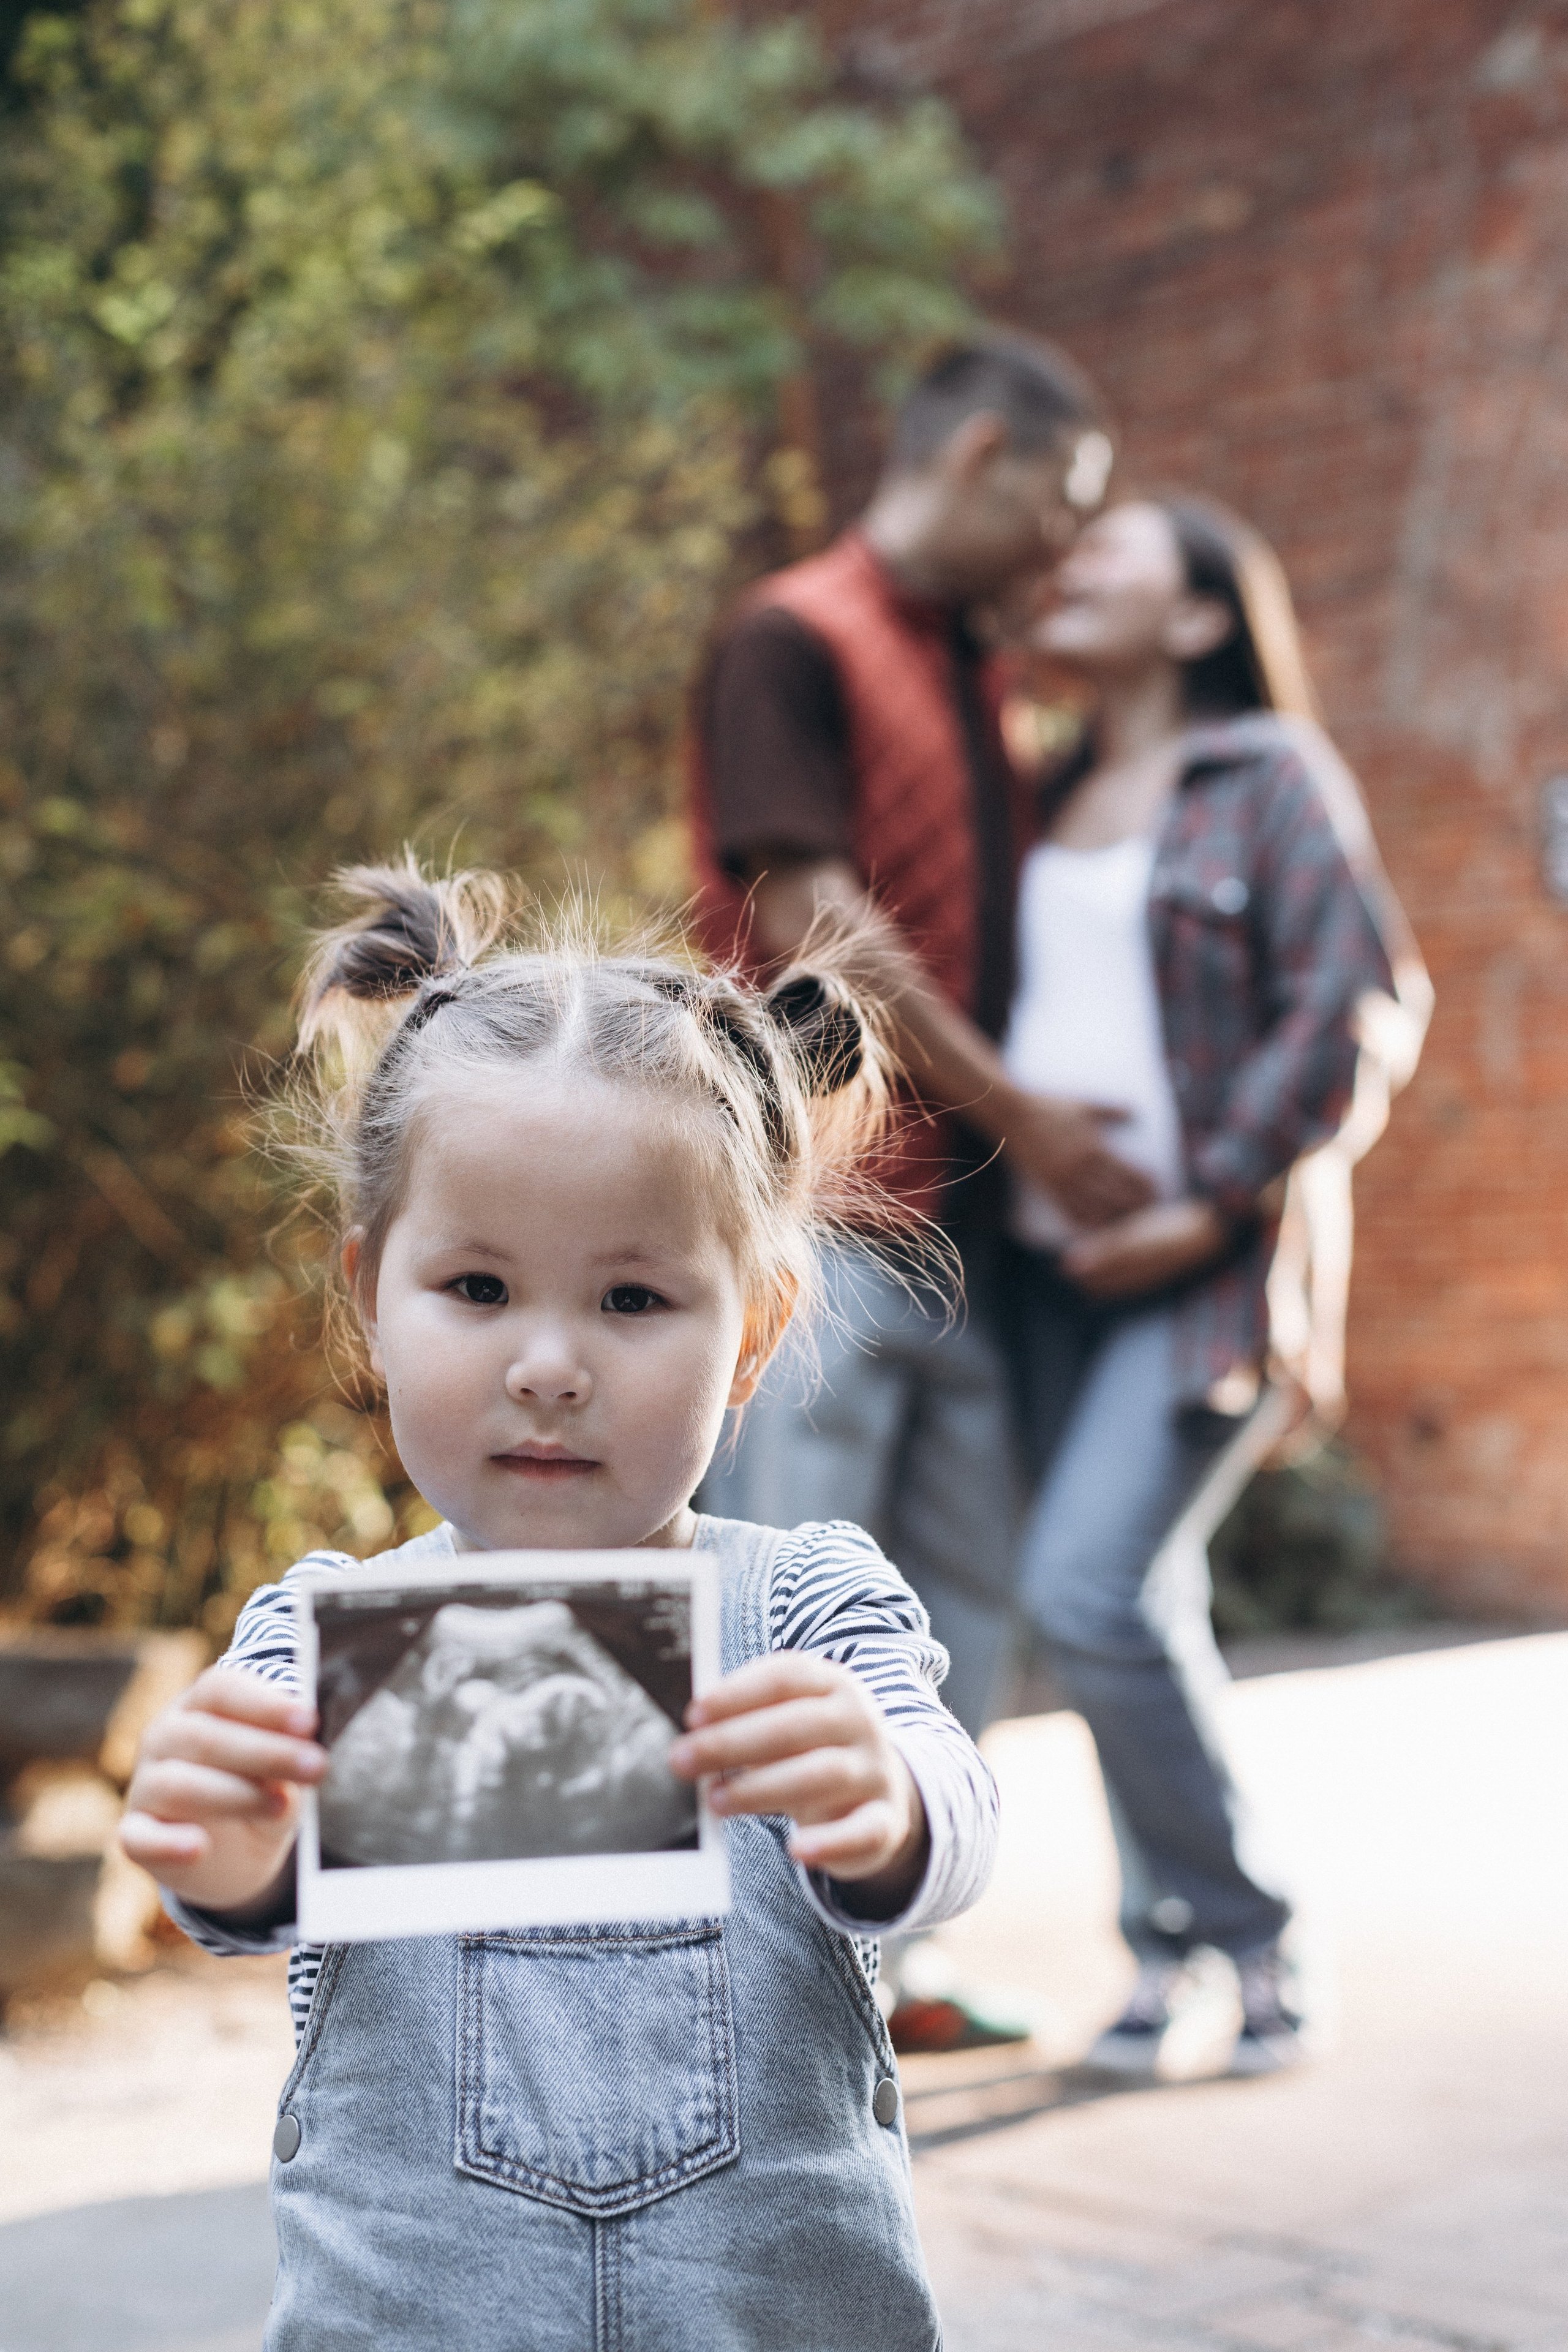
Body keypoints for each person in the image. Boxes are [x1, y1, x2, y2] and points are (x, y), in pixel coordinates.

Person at [118, 864, 998, 2350]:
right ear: (369, 1299)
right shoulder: (315, 1635)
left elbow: (954, 1817)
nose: (547, 1365)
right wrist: (226, 1850)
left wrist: (891, 1800)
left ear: (756, 1331)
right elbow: (234, 1901)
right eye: (474, 1286)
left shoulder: (806, 1604)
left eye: (632, 1301)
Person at [690, 335, 1116, 2050]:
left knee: (949, 1612)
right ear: (989, 451)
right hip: (820, 1219)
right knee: (776, 1583)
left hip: (972, 1240)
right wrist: (1027, 1108)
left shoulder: (980, 677)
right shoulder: (793, 634)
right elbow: (814, 925)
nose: (1066, 549)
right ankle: (733, 1969)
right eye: (1062, 504)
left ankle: (886, 1960)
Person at [997, 494, 1430, 2075]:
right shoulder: (1039, 796)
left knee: (1088, 1593)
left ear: (1194, 619)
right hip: (1040, 1277)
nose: (1070, 575)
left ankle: (1252, 1936)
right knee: (1133, 1613)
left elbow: (1358, 1000)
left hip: (1204, 1268)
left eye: (1108, 558)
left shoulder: (1265, 778)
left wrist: (1206, 1202)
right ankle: (1162, 1958)